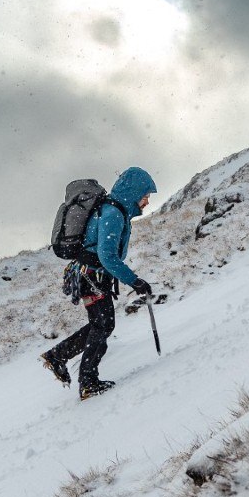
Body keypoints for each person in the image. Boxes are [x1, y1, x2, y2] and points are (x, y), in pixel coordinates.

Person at [41, 166, 158, 400]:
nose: (146, 202)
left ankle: (59, 356)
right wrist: (135, 281)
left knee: (101, 324)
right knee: (103, 326)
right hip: (91, 277)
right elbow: (107, 256)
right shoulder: (113, 213)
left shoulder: (116, 211)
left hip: (90, 276)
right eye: (145, 196)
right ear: (133, 192)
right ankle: (87, 382)